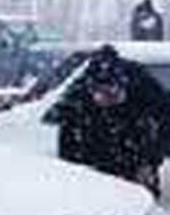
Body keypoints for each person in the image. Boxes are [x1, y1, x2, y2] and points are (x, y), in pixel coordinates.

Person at [57, 44, 170, 195]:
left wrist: (150, 161)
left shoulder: (144, 86)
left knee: (143, 199)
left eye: (111, 93)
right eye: (100, 94)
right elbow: (67, 140)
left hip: (137, 149)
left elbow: (165, 123)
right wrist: (76, 171)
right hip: (98, 159)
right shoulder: (78, 99)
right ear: (90, 88)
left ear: (123, 84)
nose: (105, 99)